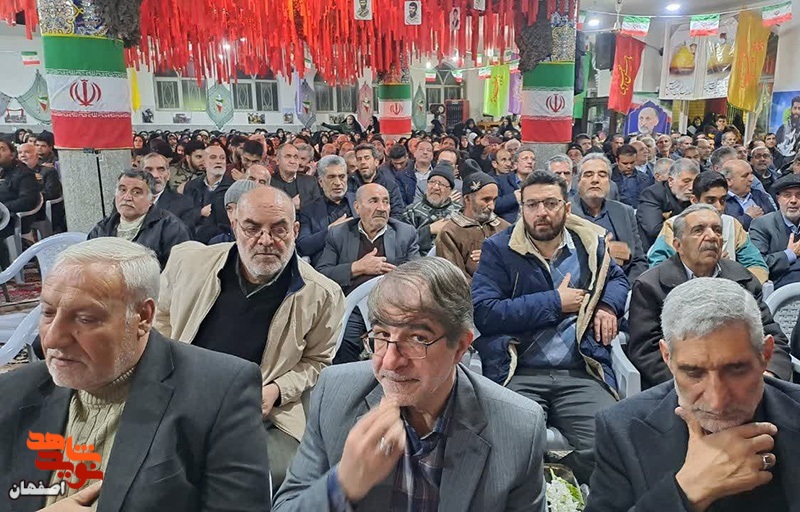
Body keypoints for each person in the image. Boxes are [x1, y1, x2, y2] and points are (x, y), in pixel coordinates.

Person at [0, 238, 271, 510]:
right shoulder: (14, 391)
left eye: (85, 318)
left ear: (142, 316)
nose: (52, 339)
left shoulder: (218, 394)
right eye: (48, 313)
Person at [273, 258, 548, 511]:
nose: (390, 362)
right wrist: (341, 485)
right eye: (382, 335)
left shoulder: (518, 428)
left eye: (417, 339)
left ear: (460, 346)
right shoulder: (334, 393)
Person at [156, 186, 345, 487]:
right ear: (234, 227)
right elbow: (161, 318)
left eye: (279, 229)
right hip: (184, 398)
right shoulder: (189, 264)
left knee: (268, 478)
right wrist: (167, 370)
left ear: (295, 231)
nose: (266, 240)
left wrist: (277, 391)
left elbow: (317, 361)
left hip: (265, 413)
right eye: (252, 228)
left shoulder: (322, 294)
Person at [586, 278, 800, 512]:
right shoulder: (622, 430)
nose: (717, 402)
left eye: (736, 370)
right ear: (667, 357)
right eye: (693, 372)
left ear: (766, 354)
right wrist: (685, 492)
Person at [472, 170, 628, 483]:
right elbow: (485, 314)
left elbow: (617, 279)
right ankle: (539, 487)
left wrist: (608, 306)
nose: (541, 212)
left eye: (550, 203)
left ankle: (558, 474)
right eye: (532, 205)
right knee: (508, 448)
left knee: (613, 445)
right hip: (519, 370)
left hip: (581, 369)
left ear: (566, 208)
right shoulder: (499, 249)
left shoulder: (589, 244)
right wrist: (555, 302)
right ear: (521, 209)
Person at [628, 204, 792, 389]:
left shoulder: (742, 279)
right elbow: (647, 352)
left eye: (717, 230)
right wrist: (700, 384)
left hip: (745, 383)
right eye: (699, 230)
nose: (711, 236)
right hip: (684, 388)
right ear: (678, 245)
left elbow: (771, 335)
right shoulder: (651, 286)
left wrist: (769, 373)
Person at [317, 183, 420, 364]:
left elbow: (418, 276)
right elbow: (322, 274)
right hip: (351, 307)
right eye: (374, 201)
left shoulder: (405, 233)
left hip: (392, 306)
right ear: (357, 207)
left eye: (386, 202)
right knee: (344, 344)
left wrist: (398, 278)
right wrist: (358, 267)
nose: (381, 208)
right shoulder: (338, 234)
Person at [648, 171, 769, 283]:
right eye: (711, 200)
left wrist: (733, 279)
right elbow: (657, 267)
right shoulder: (675, 224)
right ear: (694, 200)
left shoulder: (732, 224)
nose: (719, 207)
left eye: (722, 200)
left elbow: (757, 265)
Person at [88, 170, 190, 269]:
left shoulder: (170, 227)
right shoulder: (102, 228)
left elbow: (178, 271)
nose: (127, 197)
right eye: (122, 190)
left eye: (136, 192)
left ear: (152, 199)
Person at [572, 154, 648, 282]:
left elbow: (638, 260)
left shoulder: (624, 211)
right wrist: (603, 252)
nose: (595, 180)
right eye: (588, 175)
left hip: (622, 284)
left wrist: (628, 287)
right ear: (578, 181)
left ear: (610, 182)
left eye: (602, 175)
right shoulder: (566, 212)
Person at [436, 171, 510, 282]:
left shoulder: (505, 228)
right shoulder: (450, 232)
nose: (492, 206)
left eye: (494, 200)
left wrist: (495, 258)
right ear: (467, 199)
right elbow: (454, 279)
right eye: (486, 199)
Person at [297, 155, 357, 266]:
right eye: (331, 177)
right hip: (325, 268)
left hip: (359, 263)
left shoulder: (360, 201)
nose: (338, 182)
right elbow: (303, 246)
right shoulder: (309, 209)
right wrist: (331, 230)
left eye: (342, 176)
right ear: (320, 181)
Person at [750, 173, 800, 290]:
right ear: (778, 199)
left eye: (799, 195)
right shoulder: (762, 224)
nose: (793, 200)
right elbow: (757, 264)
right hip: (781, 290)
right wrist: (790, 254)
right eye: (787, 195)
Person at [636, 158, 700, 249]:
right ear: (670, 181)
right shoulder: (652, 194)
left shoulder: (697, 196)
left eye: (695, 182)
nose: (691, 187)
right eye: (686, 181)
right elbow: (654, 229)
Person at [401, 163, 461, 255]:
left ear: (450, 190)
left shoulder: (459, 212)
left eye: (441, 184)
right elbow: (403, 243)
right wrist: (429, 230)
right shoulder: (411, 211)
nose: (436, 187)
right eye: (432, 182)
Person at [183, 145, 234, 243]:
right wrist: (199, 213)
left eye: (222, 158)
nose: (218, 161)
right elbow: (184, 216)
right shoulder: (191, 186)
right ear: (204, 163)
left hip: (222, 243)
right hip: (194, 242)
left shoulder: (232, 188)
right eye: (213, 157)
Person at [140, 151, 198, 231]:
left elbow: (182, 234)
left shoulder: (183, 204)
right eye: (149, 170)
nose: (155, 175)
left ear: (168, 175)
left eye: (161, 169)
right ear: (140, 175)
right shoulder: (128, 201)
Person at [18, 141, 66, 233]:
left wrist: (31, 196)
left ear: (36, 155)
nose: (23, 155)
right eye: (20, 153)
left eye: (27, 152)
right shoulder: (14, 174)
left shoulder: (48, 171)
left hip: (40, 209)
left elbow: (52, 193)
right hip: (19, 206)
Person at [348, 143, 406, 216]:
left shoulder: (390, 186)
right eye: (359, 159)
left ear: (376, 162)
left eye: (367, 158)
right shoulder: (348, 184)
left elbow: (398, 214)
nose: (363, 162)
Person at [722, 158, 776, 230]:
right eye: (745, 176)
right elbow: (727, 228)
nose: (751, 179)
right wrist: (748, 218)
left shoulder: (760, 195)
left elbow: (775, 220)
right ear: (728, 181)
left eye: (751, 174)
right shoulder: (721, 201)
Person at [271, 143, 322, 212]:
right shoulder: (269, 182)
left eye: (296, 157)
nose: (293, 161)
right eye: (288, 156)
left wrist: (302, 206)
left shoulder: (310, 181)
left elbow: (319, 209)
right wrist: (290, 205)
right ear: (277, 160)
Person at [208, 179, 261, 244]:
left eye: (240, 207)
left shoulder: (265, 242)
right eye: (229, 208)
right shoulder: (217, 243)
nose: (234, 216)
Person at [495, 146, 536, 223]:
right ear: (515, 164)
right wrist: (514, 197)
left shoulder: (538, 183)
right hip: (508, 225)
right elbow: (494, 205)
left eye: (533, 159)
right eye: (525, 158)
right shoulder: (501, 180)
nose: (530, 162)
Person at [611, 144, 655, 209]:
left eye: (632, 163)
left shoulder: (645, 179)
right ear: (617, 161)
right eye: (625, 163)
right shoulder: (608, 177)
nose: (629, 166)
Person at [396, 140, 435, 205]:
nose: (425, 152)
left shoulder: (439, 175)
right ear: (414, 153)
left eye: (429, 150)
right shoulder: (402, 175)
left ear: (432, 155)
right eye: (421, 149)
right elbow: (400, 201)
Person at [776, 95, 800, 160]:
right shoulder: (782, 129)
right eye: (795, 108)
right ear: (791, 109)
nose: (797, 111)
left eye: (799, 108)